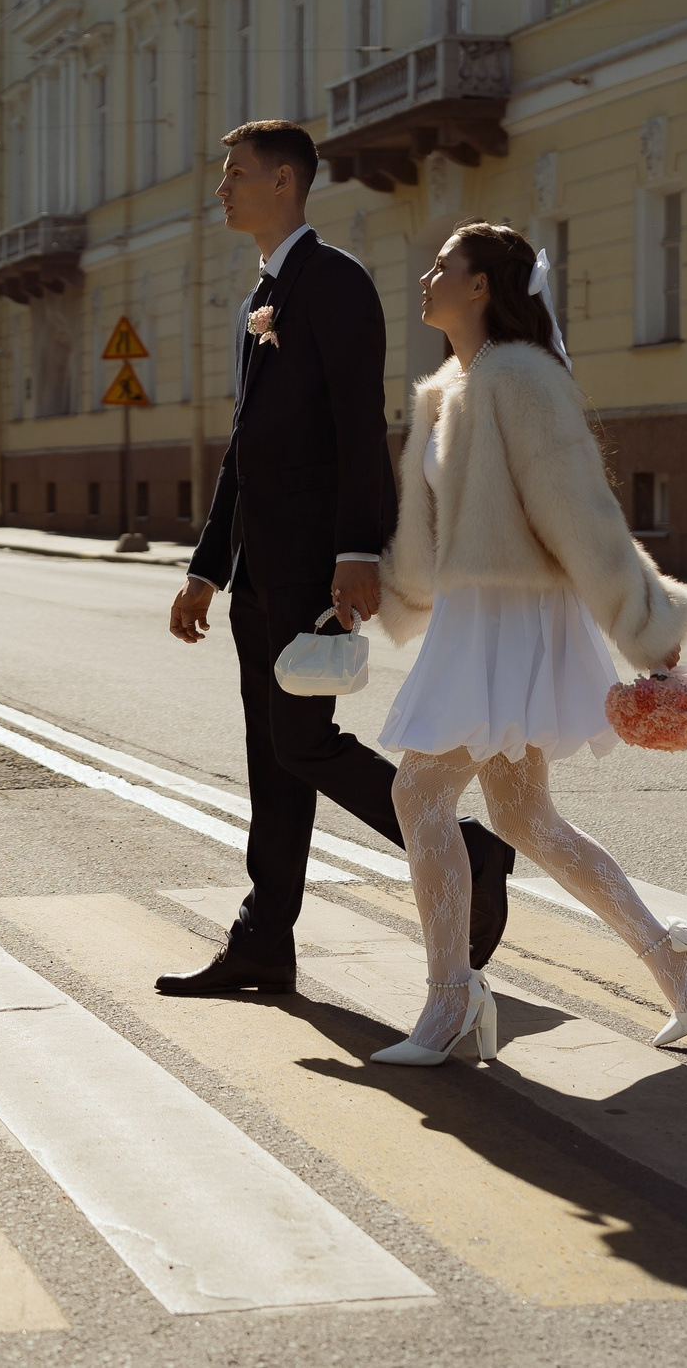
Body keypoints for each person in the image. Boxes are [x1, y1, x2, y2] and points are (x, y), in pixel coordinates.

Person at [367, 222, 687, 1066]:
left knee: (419, 795)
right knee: (523, 816)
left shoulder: (521, 382)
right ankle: (671, 957)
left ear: (480, 288)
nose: (425, 276)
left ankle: (451, 1000)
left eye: (442, 267)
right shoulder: (447, 390)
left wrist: (646, 629)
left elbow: (581, 510)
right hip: (476, 619)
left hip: (517, 623)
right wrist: (386, 595)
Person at [163, 121, 516, 997]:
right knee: (273, 752)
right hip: (261, 574)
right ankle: (263, 941)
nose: (222, 189)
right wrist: (208, 565)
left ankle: (469, 852)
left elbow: (362, 424)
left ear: (285, 182)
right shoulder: (265, 298)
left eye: (235, 173)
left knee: (302, 742)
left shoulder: (335, 283)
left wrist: (359, 548)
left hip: (317, 566)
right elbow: (247, 446)